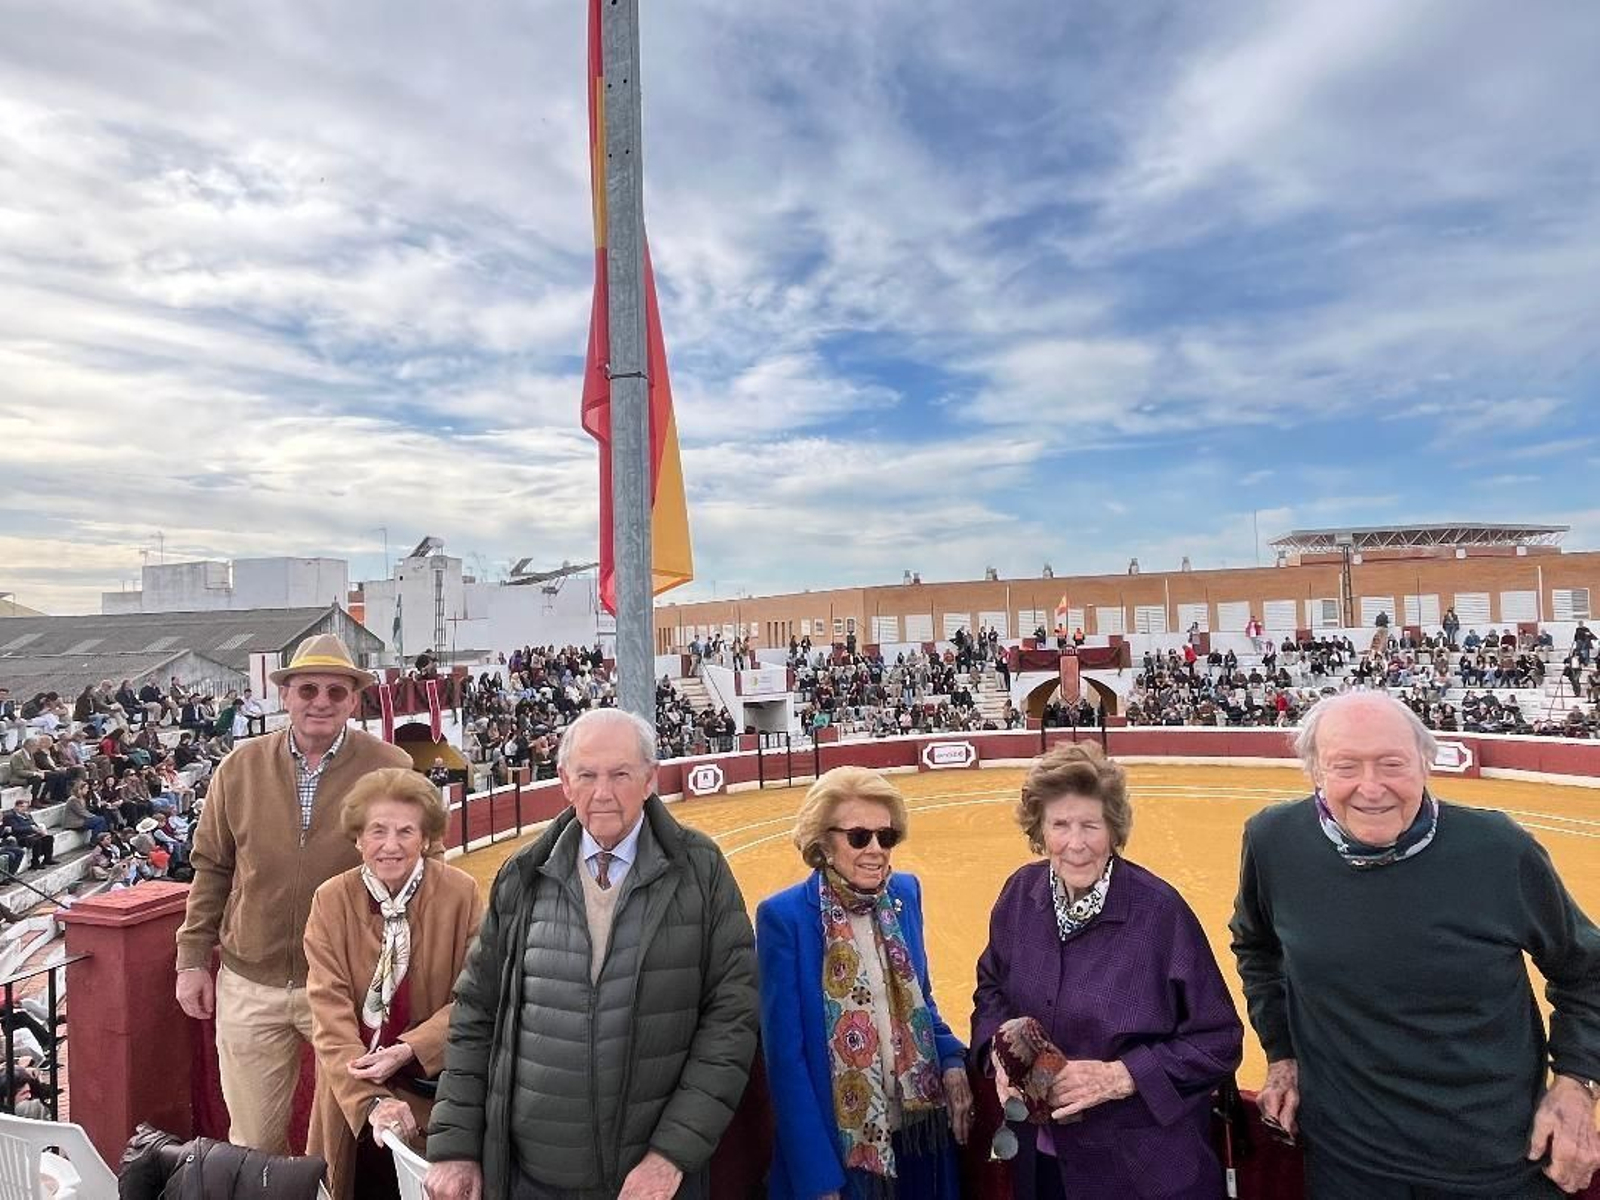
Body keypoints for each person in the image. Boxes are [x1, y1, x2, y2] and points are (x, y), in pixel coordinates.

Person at [1230, 690, 1600, 1196]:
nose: (1371, 787)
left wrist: (1578, 1084)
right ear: (1314, 771)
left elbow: (1587, 970)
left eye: (1392, 764)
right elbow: (1256, 948)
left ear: (1427, 763)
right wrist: (1282, 1053)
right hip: (1347, 1165)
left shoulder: (1497, 850)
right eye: (1345, 767)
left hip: (1497, 1165)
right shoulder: (1274, 841)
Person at [425, 708, 758, 1200]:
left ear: (649, 779)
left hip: (651, 1182)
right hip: (532, 1177)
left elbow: (731, 1018)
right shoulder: (523, 875)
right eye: (587, 775)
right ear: (564, 782)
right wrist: (454, 1145)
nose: (603, 792)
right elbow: (476, 1012)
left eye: (621, 774)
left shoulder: (701, 870)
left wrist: (671, 1156)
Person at [173, 633, 412, 1155]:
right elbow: (212, 865)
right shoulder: (240, 766)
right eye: (307, 689)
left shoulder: (390, 767)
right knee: (253, 1143)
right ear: (286, 696)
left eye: (334, 691)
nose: (320, 701)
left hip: (346, 984)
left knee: (349, 1141)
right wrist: (191, 959)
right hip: (248, 979)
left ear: (353, 699)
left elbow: (423, 871)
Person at [972, 743, 1242, 1199]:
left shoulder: (1160, 913)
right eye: (1060, 824)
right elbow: (992, 987)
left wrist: (1120, 1075)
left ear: (1113, 830)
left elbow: (1218, 1040)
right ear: (1040, 830)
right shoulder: (1020, 893)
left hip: (1142, 1171)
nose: (1075, 844)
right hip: (1043, 1166)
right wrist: (998, 1053)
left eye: (1090, 825)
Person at [757, 766, 972, 1199]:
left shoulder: (904, 895)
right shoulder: (785, 919)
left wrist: (950, 1060)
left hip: (918, 1135)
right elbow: (787, 1060)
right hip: (841, 1152)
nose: (876, 849)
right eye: (859, 837)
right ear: (824, 842)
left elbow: (922, 1003)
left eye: (886, 837)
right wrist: (817, 1178)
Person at [304, 768, 483, 1200]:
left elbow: (477, 997)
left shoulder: (461, 893)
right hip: (352, 1092)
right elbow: (329, 1012)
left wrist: (410, 1048)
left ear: (425, 839)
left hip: (433, 1091)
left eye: (406, 831)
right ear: (358, 839)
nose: (390, 845)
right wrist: (372, 1101)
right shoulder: (331, 899)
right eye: (377, 831)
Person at [2, 796, 56, 871]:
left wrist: (39, 830)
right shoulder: (10, 816)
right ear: (16, 806)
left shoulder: (27, 815)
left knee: (48, 838)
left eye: (25, 807)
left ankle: (47, 859)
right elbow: (15, 828)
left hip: (32, 835)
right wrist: (30, 828)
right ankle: (35, 863)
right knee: (37, 841)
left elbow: (34, 825)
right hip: (20, 837)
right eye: (22, 807)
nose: (24, 809)